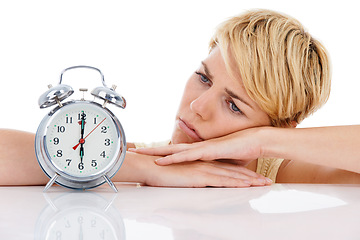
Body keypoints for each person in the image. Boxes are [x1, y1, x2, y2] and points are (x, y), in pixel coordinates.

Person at [1, 9, 359, 188]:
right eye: (204, 78)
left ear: (281, 129)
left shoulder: (281, 175)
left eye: (234, 105)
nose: (197, 107)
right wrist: (137, 167)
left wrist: (262, 143)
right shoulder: (148, 159)